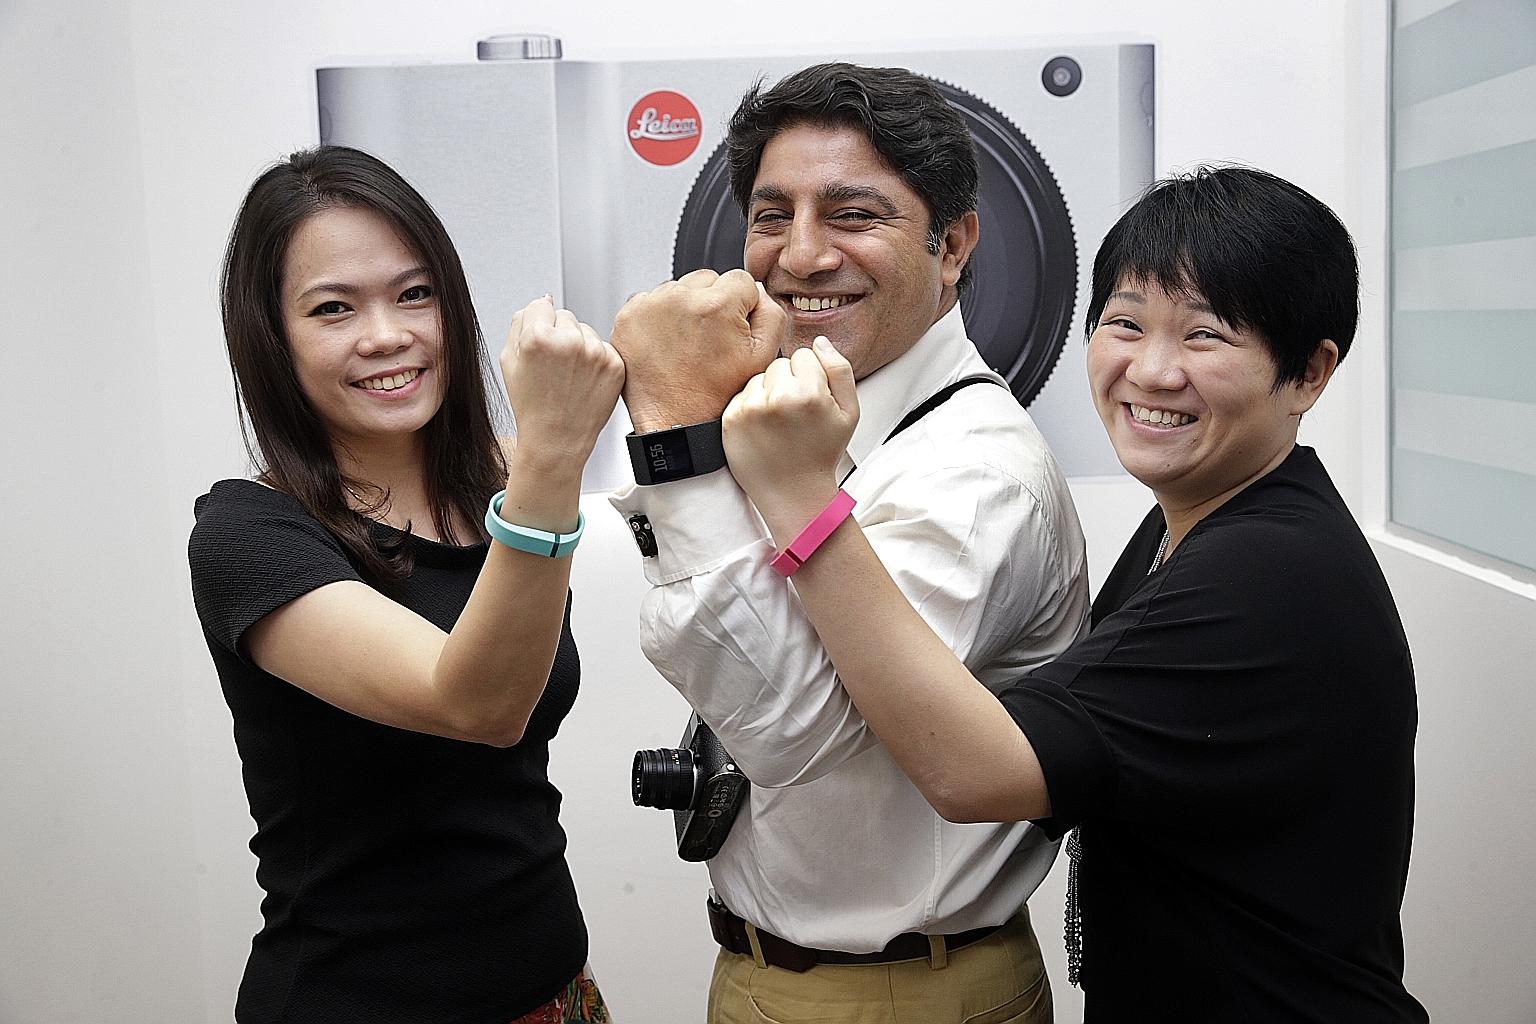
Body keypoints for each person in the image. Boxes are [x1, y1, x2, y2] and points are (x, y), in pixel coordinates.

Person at [720, 166, 1429, 1022]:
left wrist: (801, 499)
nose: (1153, 372)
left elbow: (971, 769)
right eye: (1125, 323)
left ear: (1309, 373)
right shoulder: (1194, 525)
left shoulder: (1270, 579)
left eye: (1205, 337)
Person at [607, 64, 1088, 1022]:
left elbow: (795, 732)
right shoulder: (809, 423)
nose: (802, 256)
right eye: (771, 214)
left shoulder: (973, 471)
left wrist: (669, 431)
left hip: (901, 993)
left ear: (953, 245)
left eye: (854, 214)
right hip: (777, 971)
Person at [187, 145, 622, 1023]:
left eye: (413, 294)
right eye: (334, 309)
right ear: (273, 339)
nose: (387, 335)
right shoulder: (246, 534)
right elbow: (477, 706)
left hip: (559, 996)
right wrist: (551, 454)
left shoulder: (498, 488)